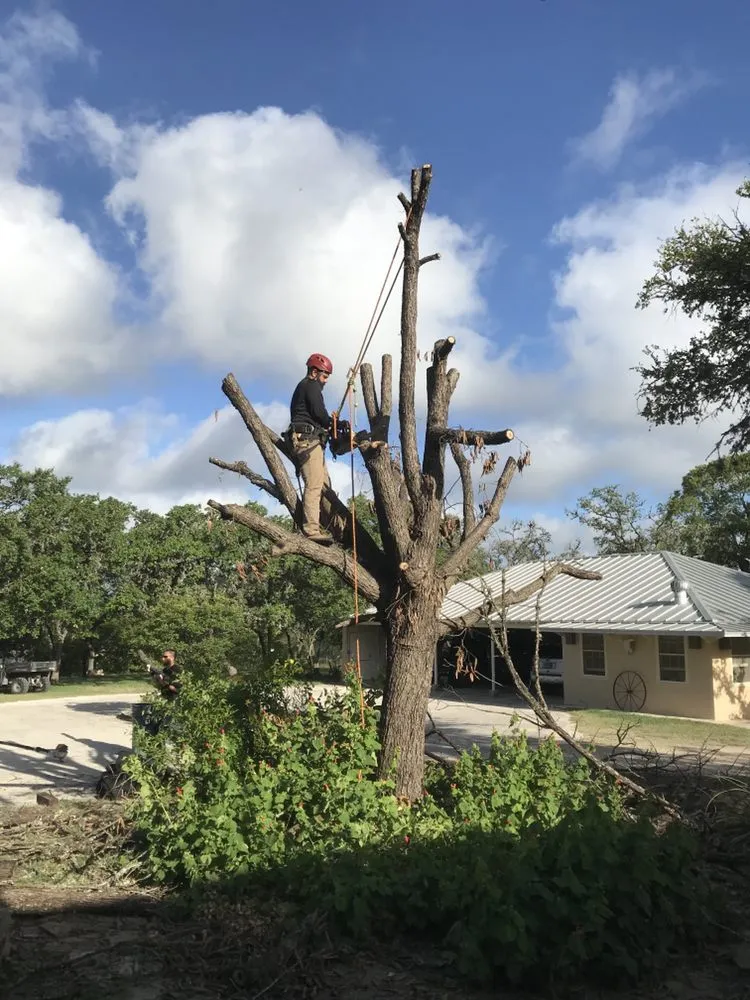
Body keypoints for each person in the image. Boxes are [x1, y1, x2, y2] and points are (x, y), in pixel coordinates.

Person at [288, 353, 337, 544]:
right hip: (307, 441)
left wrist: (330, 423)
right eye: (324, 376)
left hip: (308, 439)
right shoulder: (311, 386)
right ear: (315, 372)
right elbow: (319, 413)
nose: (325, 381)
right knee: (315, 485)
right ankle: (311, 529)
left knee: (324, 486)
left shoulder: (305, 387)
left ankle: (325, 525)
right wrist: (331, 422)